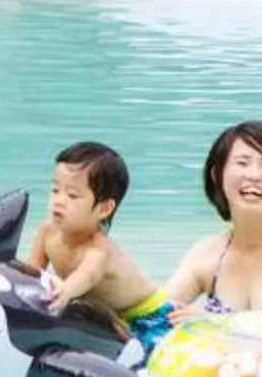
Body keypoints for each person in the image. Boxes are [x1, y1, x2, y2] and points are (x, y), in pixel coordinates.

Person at [18, 141, 175, 353]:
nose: (59, 201)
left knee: (156, 362)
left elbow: (88, 275)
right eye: (55, 190)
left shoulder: (100, 249)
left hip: (151, 316)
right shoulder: (47, 231)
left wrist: (65, 292)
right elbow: (32, 274)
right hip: (111, 317)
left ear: (104, 209)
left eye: (72, 195)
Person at [160, 121, 262, 314]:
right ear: (217, 175)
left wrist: (213, 322)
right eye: (242, 163)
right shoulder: (205, 254)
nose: (254, 175)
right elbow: (156, 311)